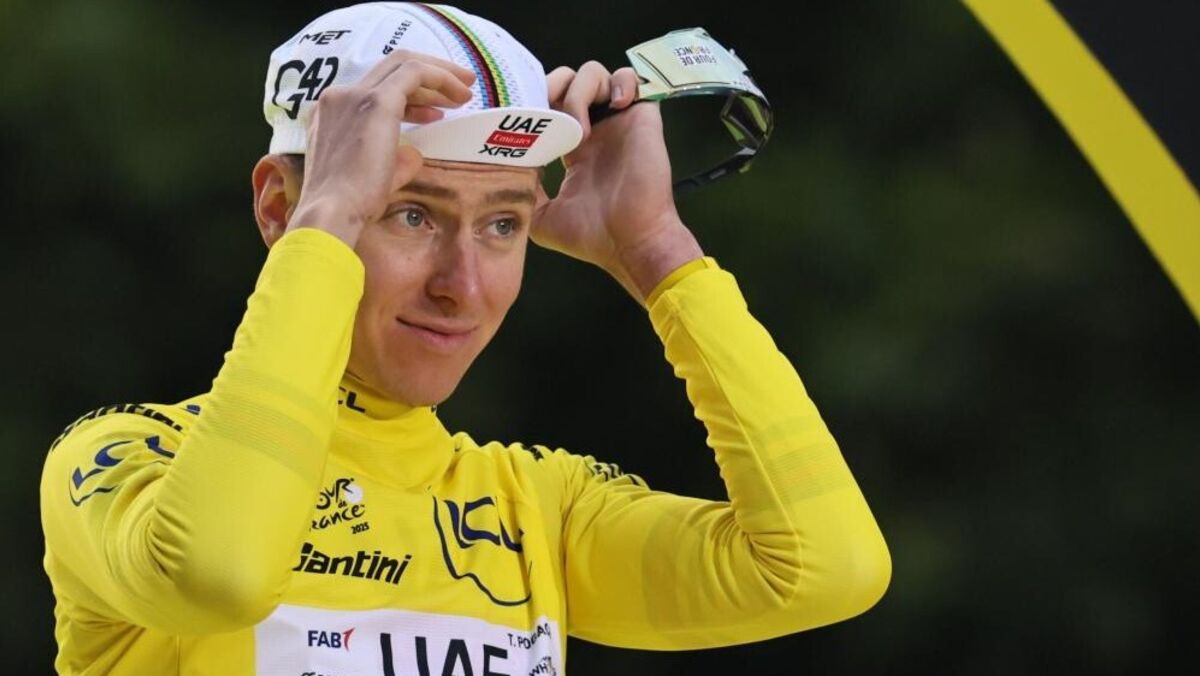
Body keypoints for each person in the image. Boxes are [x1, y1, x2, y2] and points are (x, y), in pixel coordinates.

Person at [39, 3, 891, 674]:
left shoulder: (538, 508)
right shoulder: (131, 458)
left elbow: (824, 570)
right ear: (277, 209)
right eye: (411, 214)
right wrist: (328, 215)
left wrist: (659, 252)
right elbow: (218, 574)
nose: (464, 287)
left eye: (503, 225)